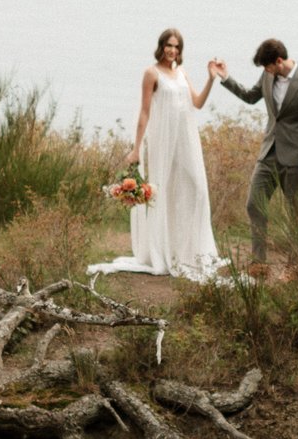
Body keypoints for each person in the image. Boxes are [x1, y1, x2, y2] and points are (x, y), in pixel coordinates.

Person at [96, 28, 224, 279]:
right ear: (161, 46)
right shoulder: (151, 73)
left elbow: (196, 103)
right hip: (162, 140)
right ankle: (162, 250)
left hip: (185, 140)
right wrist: (136, 148)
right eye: (169, 45)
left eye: (177, 46)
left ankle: (190, 251)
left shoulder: (182, 72)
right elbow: (144, 112)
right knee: (162, 192)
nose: (172, 50)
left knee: (196, 189)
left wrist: (211, 78)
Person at [212, 38, 298, 273]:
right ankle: (259, 262)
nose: (266, 72)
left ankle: (294, 269)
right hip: (269, 153)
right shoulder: (268, 76)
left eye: (268, 67)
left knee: (296, 215)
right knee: (254, 204)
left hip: (297, 159)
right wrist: (225, 77)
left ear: (279, 61)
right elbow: (250, 96)